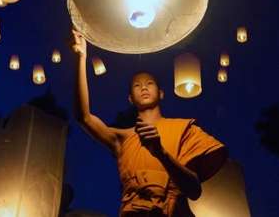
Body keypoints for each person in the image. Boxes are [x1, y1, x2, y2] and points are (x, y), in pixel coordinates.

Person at [71, 29, 228, 216]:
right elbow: (84, 117)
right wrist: (81, 58)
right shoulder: (122, 139)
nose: (143, 87)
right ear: (130, 98)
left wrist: (160, 153)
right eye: (137, 85)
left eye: (149, 83)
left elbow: (194, 190)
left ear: (161, 93)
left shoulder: (183, 130)